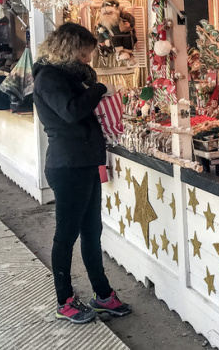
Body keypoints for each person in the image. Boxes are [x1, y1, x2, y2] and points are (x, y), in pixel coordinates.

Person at [33, 23, 131, 324]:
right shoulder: (49, 77)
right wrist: (101, 89)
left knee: (92, 232)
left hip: (86, 161)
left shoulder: (71, 77)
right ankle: (64, 300)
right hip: (67, 165)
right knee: (66, 235)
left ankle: (102, 295)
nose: (88, 60)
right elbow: (71, 112)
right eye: (85, 54)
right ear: (70, 50)